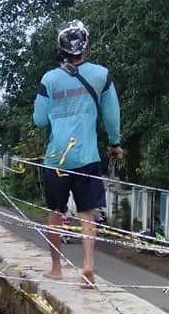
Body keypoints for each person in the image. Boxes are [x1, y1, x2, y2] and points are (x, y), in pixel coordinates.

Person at [33, 20, 123, 287]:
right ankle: (87, 266)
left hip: (56, 158)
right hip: (87, 156)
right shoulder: (101, 75)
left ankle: (56, 268)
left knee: (55, 212)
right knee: (87, 212)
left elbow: (38, 119)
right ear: (86, 45)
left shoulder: (49, 79)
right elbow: (111, 116)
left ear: (60, 48)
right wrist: (115, 143)